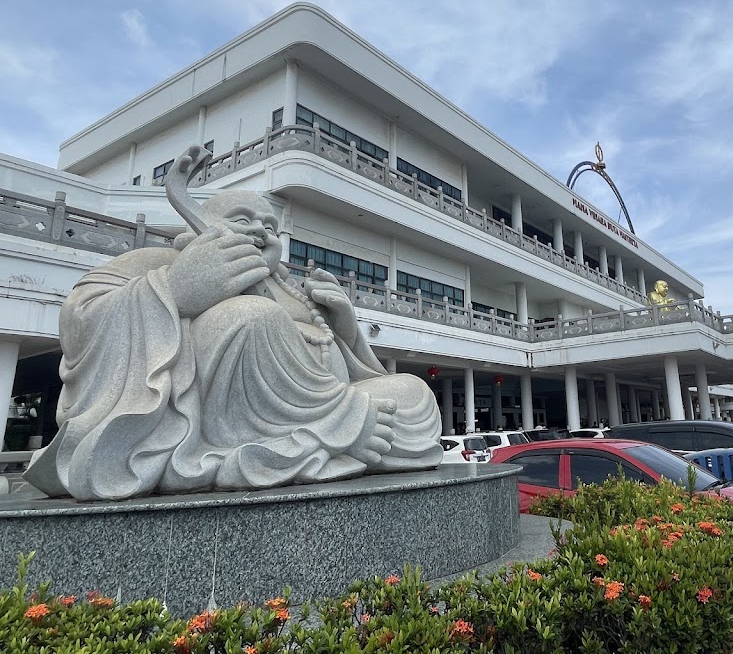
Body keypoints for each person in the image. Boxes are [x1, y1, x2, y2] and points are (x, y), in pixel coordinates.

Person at [26, 190, 442, 501]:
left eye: (271, 227)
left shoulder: (297, 293)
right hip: (226, 419)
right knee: (250, 315)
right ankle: (340, 429)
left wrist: (345, 328)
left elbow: (350, 374)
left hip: (305, 412)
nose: (261, 231)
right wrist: (174, 289)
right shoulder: (161, 262)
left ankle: (327, 434)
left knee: (413, 391)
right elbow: (80, 318)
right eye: (243, 220)